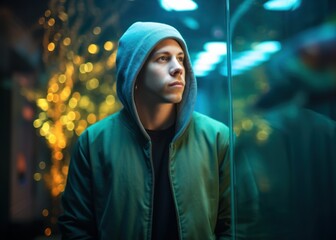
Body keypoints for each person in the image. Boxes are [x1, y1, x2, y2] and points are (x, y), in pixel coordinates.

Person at [58, 21, 231, 239]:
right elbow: (75, 226)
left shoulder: (217, 138)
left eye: (180, 58)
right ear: (135, 71)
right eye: (163, 58)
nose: (178, 68)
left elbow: (237, 223)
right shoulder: (94, 143)